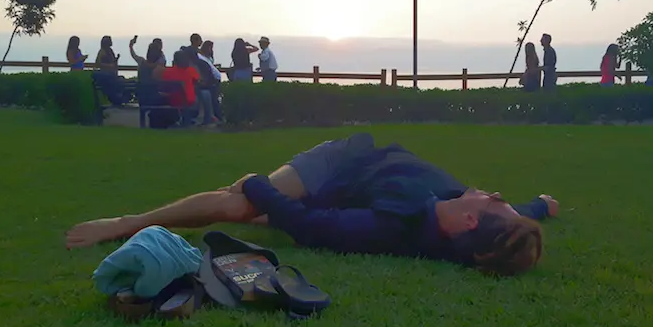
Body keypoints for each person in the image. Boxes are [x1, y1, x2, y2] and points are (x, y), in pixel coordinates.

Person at [65, 133, 560, 276]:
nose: (491, 193)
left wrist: (258, 184)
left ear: (470, 219)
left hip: (338, 166)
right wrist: (539, 205)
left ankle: (125, 224)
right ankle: (143, 218)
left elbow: (307, 224)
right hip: (353, 166)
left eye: (491, 200)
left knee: (242, 205)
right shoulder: (477, 227)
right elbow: (511, 218)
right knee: (241, 207)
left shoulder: (393, 228)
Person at [161, 50, 201, 126]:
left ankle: (180, 118)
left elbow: (164, 86)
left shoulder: (168, 71)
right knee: (202, 94)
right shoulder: (190, 70)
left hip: (171, 99)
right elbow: (199, 82)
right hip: (188, 100)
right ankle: (194, 118)